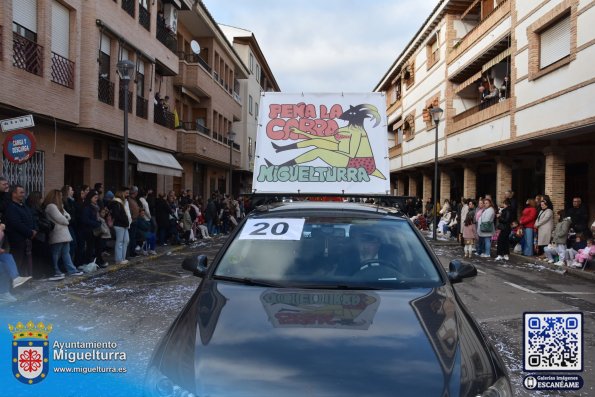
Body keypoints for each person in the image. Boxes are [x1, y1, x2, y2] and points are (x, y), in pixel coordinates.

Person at [43, 189, 83, 279]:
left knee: (66, 253)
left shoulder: (60, 206)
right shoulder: (51, 206)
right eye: (60, 196)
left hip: (64, 233)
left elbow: (68, 216)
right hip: (57, 234)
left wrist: (65, 218)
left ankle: (72, 270)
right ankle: (55, 270)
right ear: (56, 196)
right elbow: (63, 220)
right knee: (55, 253)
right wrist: (65, 218)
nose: (61, 197)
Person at [4, 185, 36, 277]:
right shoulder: (11, 207)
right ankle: (15, 283)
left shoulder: (24, 206)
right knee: (18, 262)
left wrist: (34, 230)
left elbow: (31, 217)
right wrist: (30, 232)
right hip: (17, 239)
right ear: (14, 194)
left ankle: (26, 281)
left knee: (26, 263)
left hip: (27, 239)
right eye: (21, 192)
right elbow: (16, 223)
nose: (23, 194)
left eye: (23, 192)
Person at [81, 189, 108, 269]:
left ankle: (99, 261)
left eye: (97, 198)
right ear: (90, 198)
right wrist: (96, 223)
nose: (97, 199)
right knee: (90, 247)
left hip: (96, 230)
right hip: (90, 231)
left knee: (98, 247)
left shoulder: (95, 206)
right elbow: (85, 220)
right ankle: (88, 262)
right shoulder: (87, 207)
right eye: (95, 198)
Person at [108, 189, 130, 265]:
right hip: (119, 224)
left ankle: (122, 258)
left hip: (123, 224)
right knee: (119, 242)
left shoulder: (120, 203)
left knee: (126, 240)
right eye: (124, 193)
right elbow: (117, 215)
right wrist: (124, 221)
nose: (125, 195)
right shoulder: (116, 203)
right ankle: (119, 259)